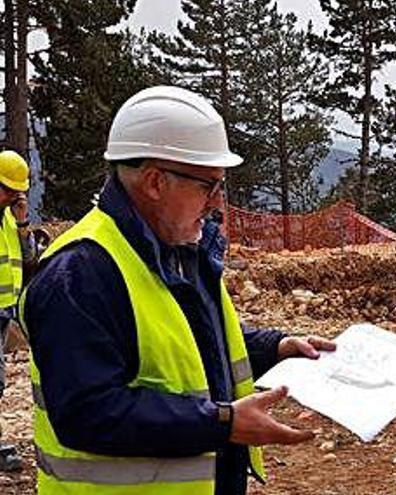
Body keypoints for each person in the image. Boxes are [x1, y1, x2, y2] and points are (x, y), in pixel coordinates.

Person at [21, 86, 335, 495]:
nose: (217, 203)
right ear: (154, 182)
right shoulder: (80, 274)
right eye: (209, 185)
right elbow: (88, 412)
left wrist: (276, 348)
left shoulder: (177, 249)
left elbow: (190, 347)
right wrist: (223, 422)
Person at [0, 150, 35, 471]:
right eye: (7, 189)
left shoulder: (10, 218)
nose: (12, 196)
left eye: (16, 191)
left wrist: (23, 221)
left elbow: (28, 258)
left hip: (3, 310)